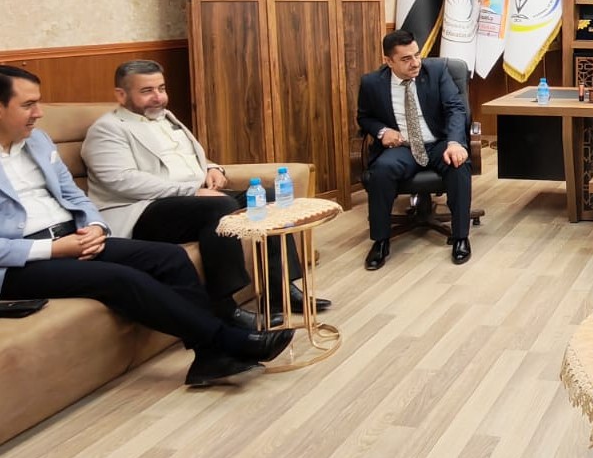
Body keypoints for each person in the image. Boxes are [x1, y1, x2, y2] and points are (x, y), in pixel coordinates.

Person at [0, 66, 293, 386]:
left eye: (38, 103)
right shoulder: (108, 129)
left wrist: (95, 225)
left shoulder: (38, 141)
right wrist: (52, 249)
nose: (39, 113)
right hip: (20, 263)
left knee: (171, 258)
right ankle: (226, 341)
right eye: (28, 105)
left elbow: (73, 194)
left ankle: (210, 359)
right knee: (122, 278)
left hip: (75, 237)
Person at [81, 60, 330, 327]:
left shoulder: (166, 117)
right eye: (147, 91)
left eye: (161, 88)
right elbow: (122, 181)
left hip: (189, 200)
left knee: (268, 197)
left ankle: (280, 291)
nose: (158, 97)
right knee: (218, 208)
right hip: (143, 210)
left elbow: (189, 157)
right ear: (121, 95)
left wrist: (213, 168)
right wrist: (191, 190)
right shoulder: (107, 129)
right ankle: (224, 308)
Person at [357, 30, 473, 271]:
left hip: (438, 143)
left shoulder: (437, 72)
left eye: (417, 55)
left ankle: (460, 237)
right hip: (403, 146)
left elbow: (455, 108)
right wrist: (382, 132)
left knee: (458, 165)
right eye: (406, 58)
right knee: (381, 171)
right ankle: (380, 241)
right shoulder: (371, 83)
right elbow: (364, 117)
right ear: (388, 61)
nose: (415, 63)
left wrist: (454, 143)